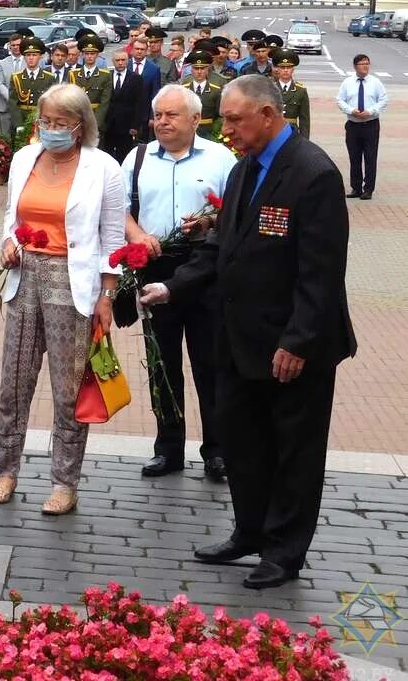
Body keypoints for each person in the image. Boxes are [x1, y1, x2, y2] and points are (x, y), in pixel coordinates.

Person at [140, 75, 356, 589]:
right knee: (244, 444)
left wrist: (297, 342)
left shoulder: (312, 173)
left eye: (235, 118)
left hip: (290, 347)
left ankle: (283, 553)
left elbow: (320, 273)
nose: (227, 128)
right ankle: (249, 532)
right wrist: (172, 288)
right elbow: (220, 247)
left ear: (268, 113)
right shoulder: (244, 170)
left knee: (293, 452)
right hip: (238, 340)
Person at [0, 84, 124, 516]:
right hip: (24, 277)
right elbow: (12, 218)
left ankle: (65, 482)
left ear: (80, 126)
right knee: (14, 382)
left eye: (60, 124)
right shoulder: (24, 158)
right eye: (44, 122)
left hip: (73, 283)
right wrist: (8, 243)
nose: (50, 130)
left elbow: (113, 240)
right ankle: (6, 470)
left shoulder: (104, 168)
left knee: (68, 392)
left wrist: (107, 295)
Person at [122, 84, 235, 483]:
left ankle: (217, 451)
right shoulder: (137, 158)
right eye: (158, 115)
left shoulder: (222, 158)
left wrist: (209, 222)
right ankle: (168, 448)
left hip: (205, 269)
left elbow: (237, 216)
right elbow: (119, 211)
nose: (162, 122)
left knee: (211, 364)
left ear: (194, 119)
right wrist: (136, 234)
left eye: (171, 115)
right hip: (156, 267)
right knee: (162, 364)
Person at [337, 53, 386, 200]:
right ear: (355, 66)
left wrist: (370, 111)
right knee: (354, 157)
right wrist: (351, 110)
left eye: (367, 63)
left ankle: (368, 189)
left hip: (371, 125)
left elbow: (383, 100)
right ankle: (356, 188)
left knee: (370, 157)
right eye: (362, 63)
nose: (365, 66)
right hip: (353, 125)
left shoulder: (376, 82)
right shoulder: (347, 83)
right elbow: (340, 100)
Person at [6, 37, 56, 139]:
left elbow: (51, 103)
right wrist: (18, 124)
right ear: (24, 57)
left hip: (41, 122)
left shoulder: (49, 78)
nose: (31, 58)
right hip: (21, 120)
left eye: (34, 55)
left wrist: (46, 122)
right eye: (28, 55)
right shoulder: (17, 77)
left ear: (40, 57)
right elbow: (13, 102)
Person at [101, 49, 146, 162]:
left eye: (123, 60)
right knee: (107, 155)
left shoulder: (136, 78)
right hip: (108, 125)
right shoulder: (106, 77)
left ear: (127, 61)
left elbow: (140, 103)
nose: (120, 63)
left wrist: (135, 126)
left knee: (124, 156)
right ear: (113, 61)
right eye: (117, 60)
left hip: (127, 126)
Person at [74, 37, 112, 134]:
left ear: (97, 55)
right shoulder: (73, 74)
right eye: (87, 54)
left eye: (92, 54)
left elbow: (105, 102)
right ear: (82, 55)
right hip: (77, 120)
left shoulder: (105, 75)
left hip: (96, 120)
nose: (90, 56)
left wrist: (95, 123)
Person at [182, 49, 223, 139]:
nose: (199, 71)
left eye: (202, 68)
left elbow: (220, 115)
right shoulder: (183, 89)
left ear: (208, 69)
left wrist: (215, 131)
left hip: (208, 132)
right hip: (187, 131)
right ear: (191, 70)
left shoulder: (215, 90)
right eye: (196, 68)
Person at [272, 49, 310, 138]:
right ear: (277, 69)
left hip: (292, 132)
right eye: (282, 67)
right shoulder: (271, 88)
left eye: (288, 67)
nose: (285, 70)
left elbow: (304, 120)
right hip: (274, 132)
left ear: (293, 69)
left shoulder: (300, 91)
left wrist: (305, 141)